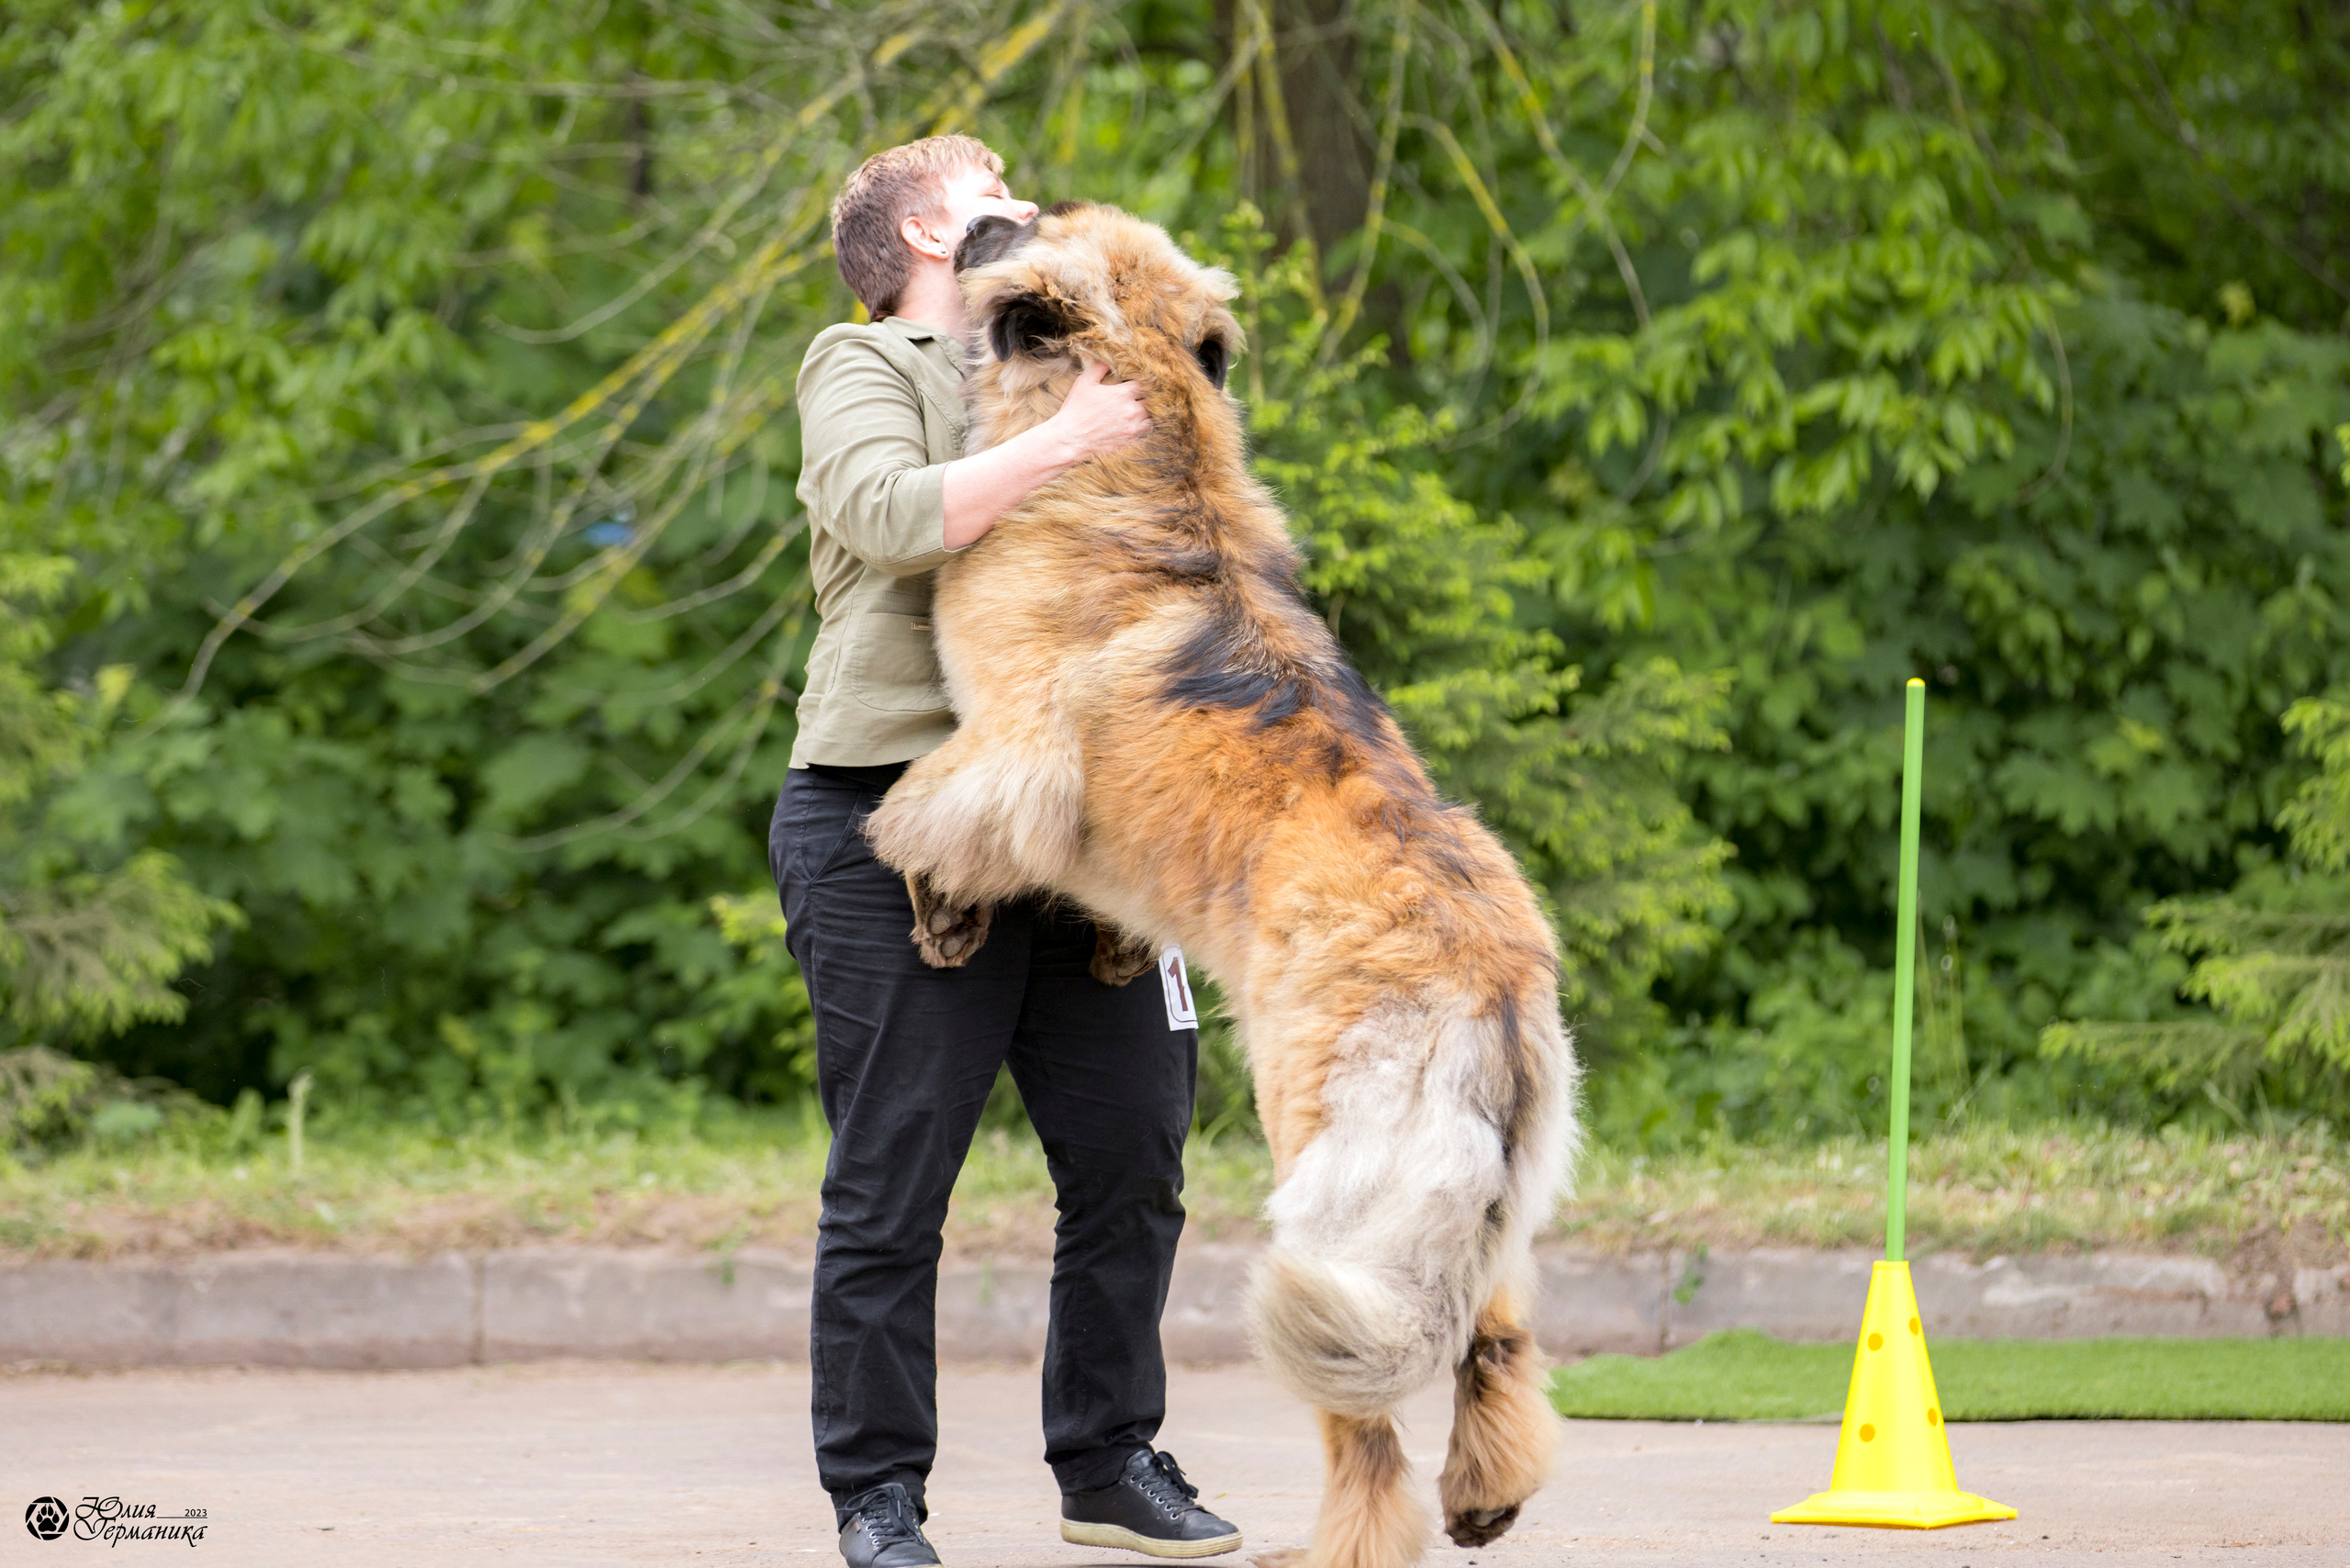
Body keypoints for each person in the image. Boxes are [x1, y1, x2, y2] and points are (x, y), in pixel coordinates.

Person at [772, 136, 1244, 1568]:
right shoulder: (865, 366)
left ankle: (1106, 1464)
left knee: (1135, 1159)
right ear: (925, 228)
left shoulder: (1074, 350)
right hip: (891, 820)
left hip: (1090, 829)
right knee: (892, 1177)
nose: (1027, 203)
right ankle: (877, 1498)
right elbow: (885, 515)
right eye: (993, 186)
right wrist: (1066, 440)